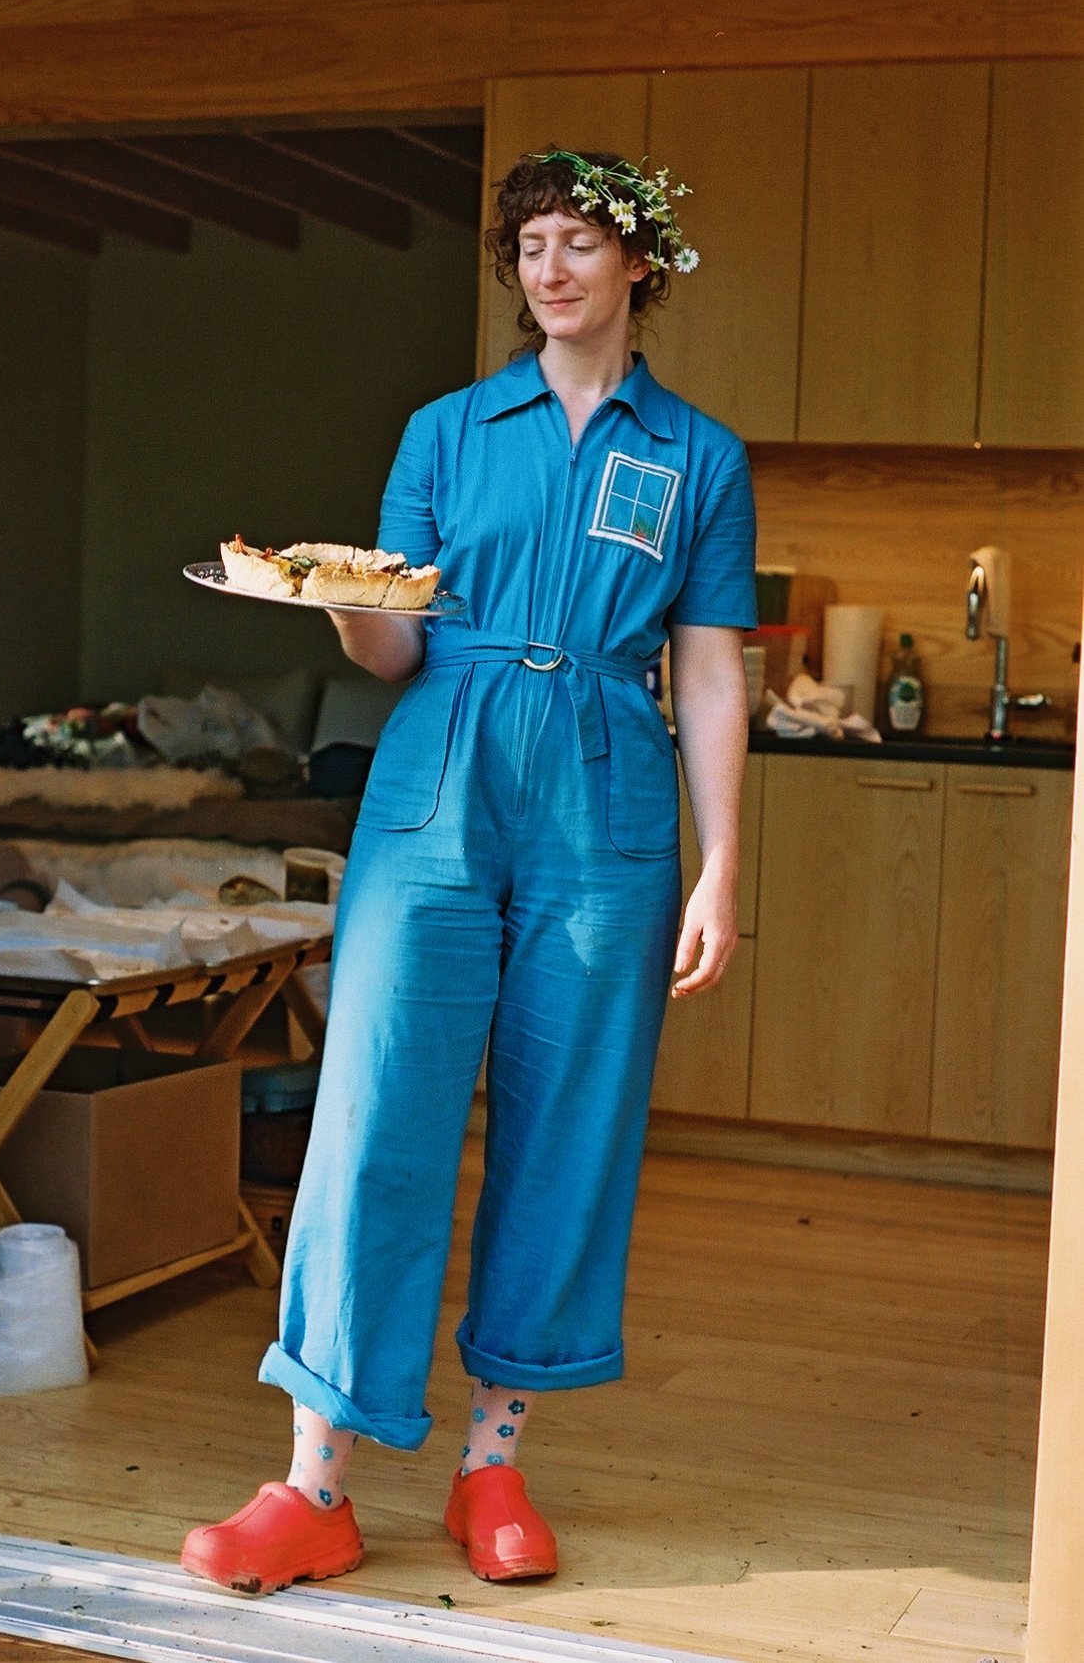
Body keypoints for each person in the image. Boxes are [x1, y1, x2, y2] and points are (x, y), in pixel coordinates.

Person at [181, 147, 756, 1595]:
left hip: (608, 794)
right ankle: (314, 1483)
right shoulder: (444, 431)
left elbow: (707, 669)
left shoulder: (700, 457)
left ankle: (492, 1463)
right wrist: (340, 604)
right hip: (439, 772)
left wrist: (722, 865)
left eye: (579, 243)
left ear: (639, 264)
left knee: (570, 1123)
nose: (550, 269)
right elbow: (399, 639)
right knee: (374, 1106)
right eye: (530, 246)